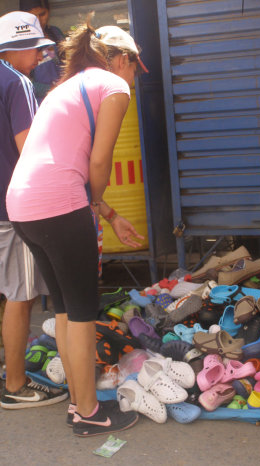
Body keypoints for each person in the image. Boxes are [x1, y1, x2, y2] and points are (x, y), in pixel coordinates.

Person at [6, 15, 146, 437]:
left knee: (66, 310)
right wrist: (94, 205)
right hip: (60, 205)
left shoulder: (63, 87)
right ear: (120, 60)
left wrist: (110, 216)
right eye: (136, 67)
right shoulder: (113, 87)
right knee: (83, 312)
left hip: (22, 204)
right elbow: (98, 163)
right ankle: (88, 412)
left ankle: (77, 404)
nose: (135, 78)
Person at [0, 11, 68, 408]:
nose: (41, 57)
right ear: (20, 48)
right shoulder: (17, 83)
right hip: (13, 205)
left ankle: (11, 367)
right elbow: (30, 150)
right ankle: (15, 384)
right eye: (37, 49)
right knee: (20, 295)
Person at [19, 0, 64, 103]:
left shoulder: (55, 33)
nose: (38, 20)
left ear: (49, 11)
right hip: (41, 104)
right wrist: (52, 89)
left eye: (42, 14)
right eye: (32, 17)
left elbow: (67, 60)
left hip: (64, 98)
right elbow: (23, 83)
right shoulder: (21, 45)